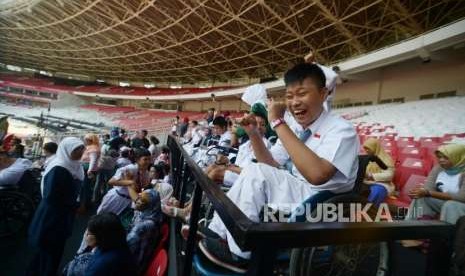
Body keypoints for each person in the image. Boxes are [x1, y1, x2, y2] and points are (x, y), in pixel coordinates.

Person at [199, 62, 359, 272]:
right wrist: (253, 134)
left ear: (323, 93)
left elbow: (318, 175)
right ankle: (218, 233)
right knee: (255, 170)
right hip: (298, 190)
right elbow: (270, 164)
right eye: (290, 96)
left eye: (302, 94)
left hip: (322, 201)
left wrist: (277, 121)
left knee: (256, 172)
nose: (294, 102)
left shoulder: (341, 130)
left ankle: (241, 252)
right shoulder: (297, 128)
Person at [27, 137, 85, 276]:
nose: (81, 152)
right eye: (77, 149)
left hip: (62, 215)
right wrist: (74, 204)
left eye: (82, 148)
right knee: (47, 251)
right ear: (67, 150)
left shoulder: (75, 165)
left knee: (54, 250)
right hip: (52, 216)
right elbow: (50, 196)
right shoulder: (59, 168)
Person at [405, 143, 465, 224]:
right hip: (446, 203)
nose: (441, 160)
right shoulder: (439, 168)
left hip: (459, 206)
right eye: (439, 157)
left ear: (458, 158)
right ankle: (413, 226)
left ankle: (446, 235)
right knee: (421, 197)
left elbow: (461, 198)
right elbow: (428, 188)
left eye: (446, 157)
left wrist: (429, 193)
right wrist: (418, 192)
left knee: (450, 205)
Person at [64, 212, 137, 276]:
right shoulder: (117, 242)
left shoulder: (100, 266)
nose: (86, 235)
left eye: (89, 233)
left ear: (100, 237)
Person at [96, 148, 152, 227]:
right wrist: (130, 182)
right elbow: (111, 181)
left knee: (113, 224)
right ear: (137, 160)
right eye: (145, 159)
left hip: (128, 202)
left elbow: (141, 188)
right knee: (100, 221)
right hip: (116, 198)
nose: (148, 162)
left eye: (149, 159)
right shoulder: (130, 168)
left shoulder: (146, 173)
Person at [126, 187, 163, 274]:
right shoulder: (152, 214)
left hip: (133, 267)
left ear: (150, 205)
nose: (137, 201)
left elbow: (125, 249)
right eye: (139, 197)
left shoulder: (144, 226)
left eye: (142, 201)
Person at [362, 138, 395, 206]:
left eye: (368, 148)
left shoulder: (386, 158)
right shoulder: (366, 157)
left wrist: (371, 176)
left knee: (377, 191)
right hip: (366, 182)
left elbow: (389, 175)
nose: (366, 150)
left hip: (381, 183)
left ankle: (369, 212)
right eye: (365, 148)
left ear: (374, 148)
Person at [80, 134, 101, 210]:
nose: (85, 140)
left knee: (85, 187)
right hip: (86, 169)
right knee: (85, 187)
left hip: (88, 170)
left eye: (86, 139)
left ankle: (84, 205)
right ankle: (84, 204)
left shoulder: (93, 149)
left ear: (90, 140)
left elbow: (93, 160)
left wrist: (89, 170)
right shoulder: (91, 147)